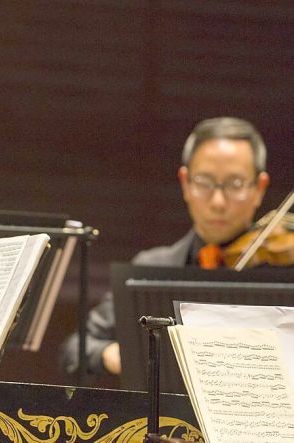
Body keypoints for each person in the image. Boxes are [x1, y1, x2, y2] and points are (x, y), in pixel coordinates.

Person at [59, 116, 290, 389]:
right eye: (204, 182)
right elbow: (74, 349)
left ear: (259, 189)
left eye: (235, 184)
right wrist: (116, 355)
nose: (218, 202)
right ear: (185, 183)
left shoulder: (286, 268)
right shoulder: (151, 268)